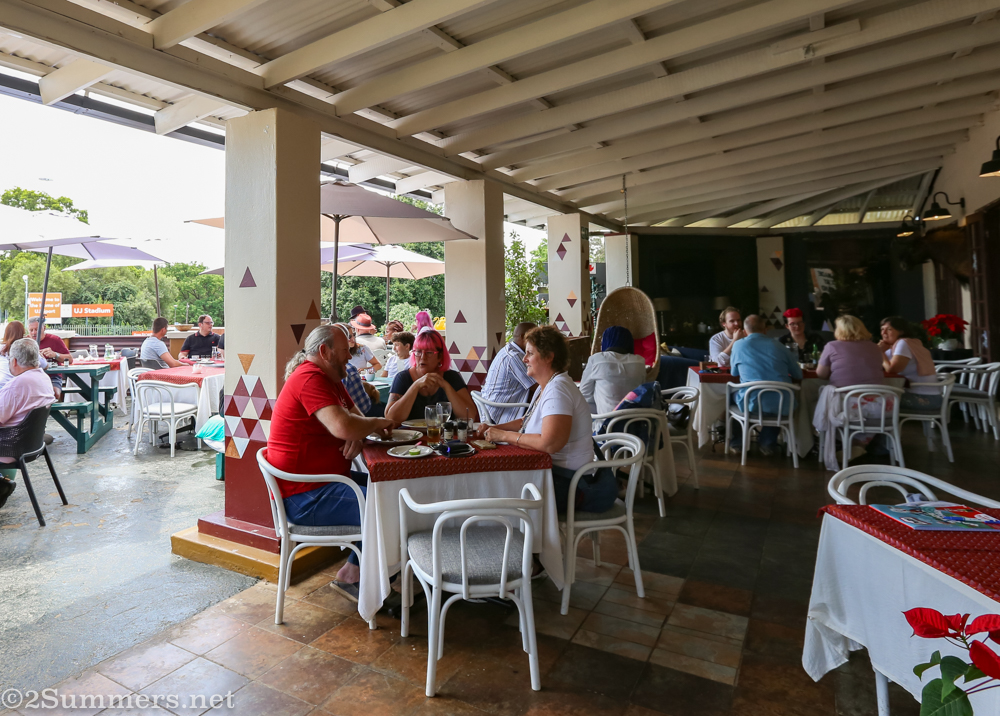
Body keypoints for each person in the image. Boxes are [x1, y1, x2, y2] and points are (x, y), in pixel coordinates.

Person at [267, 324, 393, 600]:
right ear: (325, 351)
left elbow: (355, 417)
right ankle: (362, 576)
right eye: (345, 350)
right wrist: (374, 424)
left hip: (325, 483)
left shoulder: (331, 378)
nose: (350, 356)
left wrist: (357, 433)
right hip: (305, 497)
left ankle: (353, 572)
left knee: (390, 487)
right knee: (388, 507)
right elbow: (344, 425)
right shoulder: (310, 378)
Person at [483, 326, 616, 514]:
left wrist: (504, 435)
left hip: (570, 485)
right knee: (499, 486)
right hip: (555, 477)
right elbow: (526, 421)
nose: (524, 359)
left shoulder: (558, 389)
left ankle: (520, 532)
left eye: (530, 353)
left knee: (499, 493)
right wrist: (493, 429)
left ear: (548, 357)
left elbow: (550, 443)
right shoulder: (546, 386)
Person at [729, 314, 802, 456]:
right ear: (765, 330)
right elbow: (798, 375)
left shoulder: (738, 345)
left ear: (745, 331)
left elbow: (734, 373)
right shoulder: (780, 346)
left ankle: (738, 442)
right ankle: (767, 443)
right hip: (781, 403)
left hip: (751, 402)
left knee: (732, 396)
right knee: (775, 397)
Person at [0, 339, 58, 509]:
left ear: (14, 361)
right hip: (33, 445)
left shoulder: (16, 385)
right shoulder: (43, 378)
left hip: (10, 448)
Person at [385, 328, 477, 423]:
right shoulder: (403, 378)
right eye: (418, 352)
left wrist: (446, 386)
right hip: (408, 432)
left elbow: (469, 416)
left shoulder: (451, 377)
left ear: (440, 356)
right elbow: (390, 418)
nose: (422, 357)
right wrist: (415, 386)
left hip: (444, 432)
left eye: (429, 352)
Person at [579, 326, 646, 414]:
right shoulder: (640, 361)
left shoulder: (596, 359)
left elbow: (584, 394)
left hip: (607, 420)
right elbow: (642, 390)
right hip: (636, 419)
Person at [878, 316, 939, 410]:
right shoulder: (896, 346)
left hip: (925, 398)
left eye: (889, 329)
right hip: (919, 395)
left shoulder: (903, 343)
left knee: (872, 400)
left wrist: (880, 352)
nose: (884, 333)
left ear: (901, 331)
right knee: (871, 398)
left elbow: (891, 369)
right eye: (882, 329)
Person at [480, 322, 536, 423]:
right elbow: (538, 387)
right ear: (524, 337)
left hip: (493, 410)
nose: (538, 342)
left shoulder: (508, 350)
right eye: (535, 337)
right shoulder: (514, 357)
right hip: (500, 416)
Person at [816, 315, 885, 387]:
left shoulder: (832, 346)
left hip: (843, 393)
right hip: (876, 393)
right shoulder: (875, 347)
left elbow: (821, 374)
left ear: (839, 330)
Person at [28, 317, 71, 400]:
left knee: (55, 394)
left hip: (53, 376)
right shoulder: (26, 342)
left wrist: (55, 355)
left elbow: (70, 359)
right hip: (32, 377)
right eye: (31, 330)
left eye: (37, 329)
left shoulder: (55, 340)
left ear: (44, 328)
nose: (34, 333)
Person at [0, 322, 49, 390]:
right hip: (20, 385)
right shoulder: (26, 347)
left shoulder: (1, 347)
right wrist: (36, 349)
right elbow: (44, 365)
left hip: (2, 383)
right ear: (22, 334)